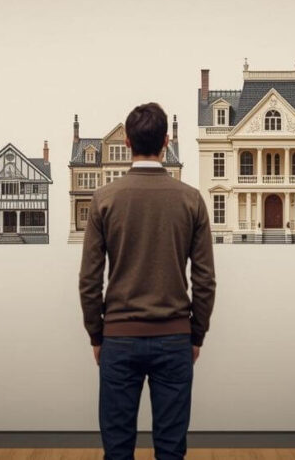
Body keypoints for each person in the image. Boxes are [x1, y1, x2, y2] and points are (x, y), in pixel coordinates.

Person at [79, 102, 217, 460]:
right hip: (174, 339)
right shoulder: (191, 200)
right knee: (171, 450)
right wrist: (196, 334)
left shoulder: (104, 198)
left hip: (119, 340)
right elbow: (204, 280)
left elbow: (89, 279)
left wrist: (97, 333)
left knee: (118, 449)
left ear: (126, 142)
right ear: (166, 142)